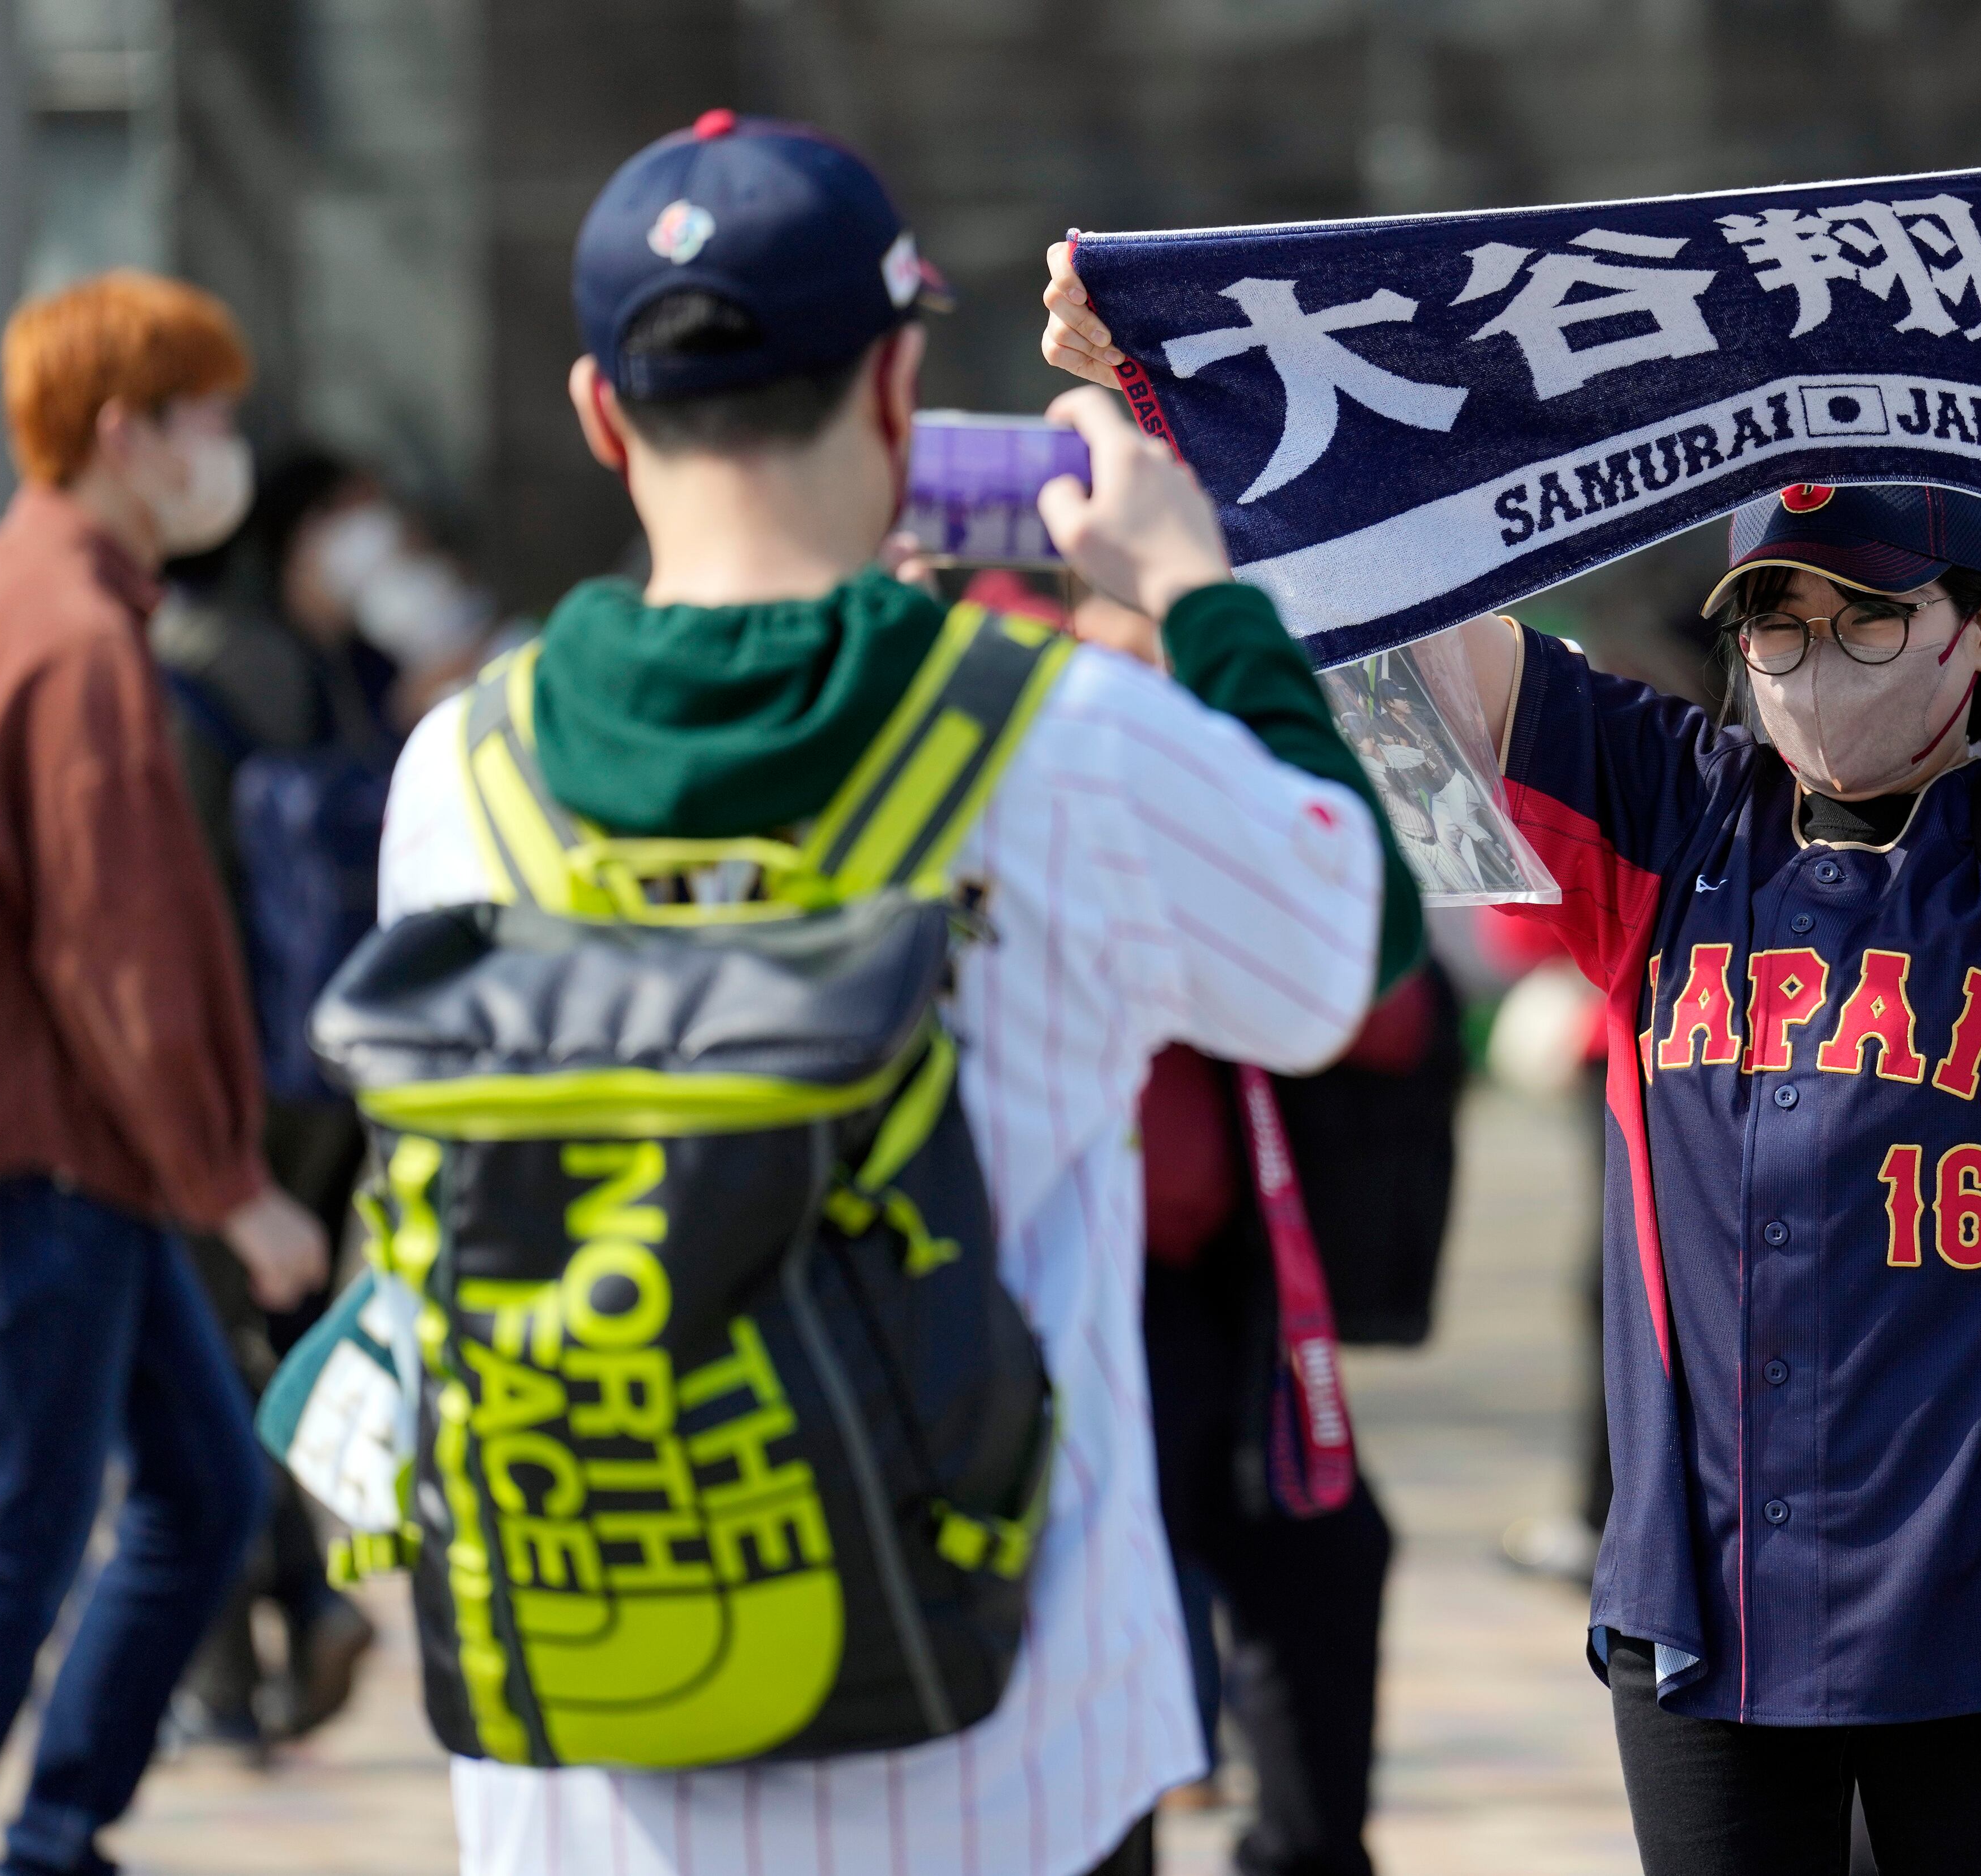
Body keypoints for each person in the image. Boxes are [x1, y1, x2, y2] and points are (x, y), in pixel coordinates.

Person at [1064, 138, 1981, 1876]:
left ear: (1975, 635)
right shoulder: (1668, 812)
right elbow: (1412, 584)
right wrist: (1176, 388)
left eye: (1864, 616)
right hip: (1701, 1618)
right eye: (1771, 620)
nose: (1810, 657)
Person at [393, 113, 1417, 1876]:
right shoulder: (1058, 745)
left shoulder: (457, 773)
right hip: (990, 1754)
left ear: (595, 411)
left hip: (586, 1767)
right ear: (893, 388)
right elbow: (1348, 944)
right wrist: (1190, 592)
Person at [0, 270, 329, 1876]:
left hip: (49, 1157)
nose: (227, 445)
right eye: (205, 414)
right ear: (129, 434)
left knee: (196, 1495)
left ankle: (54, 1833)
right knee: (11, 1545)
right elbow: (119, 951)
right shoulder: (73, 636)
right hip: (55, 1163)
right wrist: (238, 1186)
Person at [155, 449, 399, 1749]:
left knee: (212, 1372)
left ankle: (269, 1632)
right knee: (266, 1354)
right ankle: (287, 1618)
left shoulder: (206, 655)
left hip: (234, 1072)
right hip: (317, 1059)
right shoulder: (301, 662)